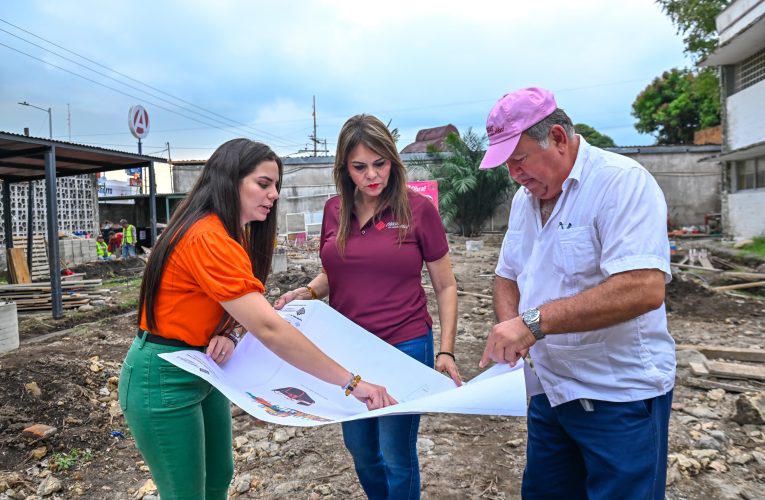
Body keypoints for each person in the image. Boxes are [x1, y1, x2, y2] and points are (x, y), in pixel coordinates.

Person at [118, 139, 395, 500]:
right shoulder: (207, 237)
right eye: (263, 184)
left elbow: (233, 312)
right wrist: (352, 383)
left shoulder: (230, 234)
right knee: (185, 492)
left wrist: (231, 335)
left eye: (275, 186)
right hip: (165, 377)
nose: (274, 195)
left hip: (204, 365)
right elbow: (268, 327)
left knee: (218, 477)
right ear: (229, 181)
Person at [477, 88, 675, 499]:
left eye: (520, 160)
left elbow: (642, 288)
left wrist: (531, 324)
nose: (515, 174)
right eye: (507, 166)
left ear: (559, 138)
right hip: (550, 392)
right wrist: (509, 325)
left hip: (617, 395)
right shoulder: (524, 199)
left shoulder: (620, 183)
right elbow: (507, 275)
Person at [275, 114, 461, 500]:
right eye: (360, 167)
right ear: (344, 167)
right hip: (349, 349)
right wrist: (306, 292)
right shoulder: (334, 210)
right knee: (361, 450)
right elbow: (336, 272)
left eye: (380, 164)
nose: (372, 175)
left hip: (405, 344)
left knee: (397, 454)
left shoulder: (418, 209)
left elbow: (445, 285)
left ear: (393, 161)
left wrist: (445, 350)